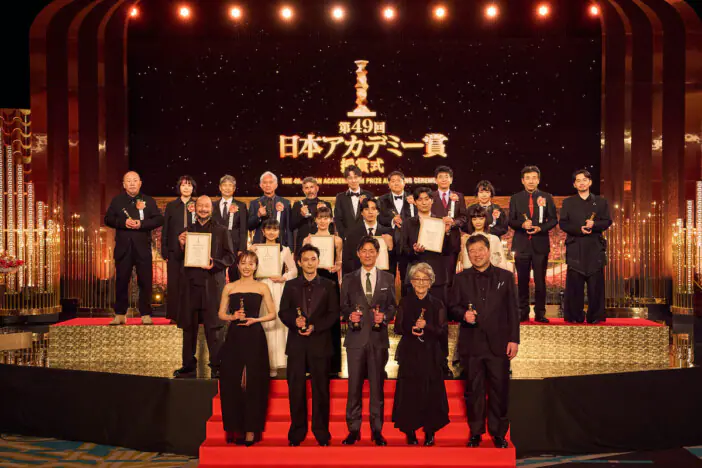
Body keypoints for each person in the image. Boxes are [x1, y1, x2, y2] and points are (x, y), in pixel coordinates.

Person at [449, 235, 519, 449]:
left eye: (480, 249)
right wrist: (463, 315)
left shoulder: (506, 277)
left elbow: (513, 311)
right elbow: (452, 307)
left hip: (499, 344)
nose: (477, 254)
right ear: (467, 255)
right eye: (472, 251)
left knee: (500, 390)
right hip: (472, 344)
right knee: (474, 391)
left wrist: (514, 340)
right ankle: (476, 432)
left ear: (488, 251)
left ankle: (499, 433)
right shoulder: (460, 279)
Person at [279, 244, 340, 446]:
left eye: (313, 259)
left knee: (321, 389)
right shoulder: (290, 285)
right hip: (296, 344)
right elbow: (283, 312)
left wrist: (315, 327)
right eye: (305, 260)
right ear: (299, 262)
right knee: (296, 389)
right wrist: (294, 322)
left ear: (318, 261)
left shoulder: (330, 285)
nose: (310, 263)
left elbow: (333, 314)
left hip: (320, 343)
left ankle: (321, 431)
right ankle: (297, 431)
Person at [341, 236, 396, 446]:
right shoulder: (348, 278)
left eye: (371, 250)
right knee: (353, 388)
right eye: (364, 250)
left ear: (377, 253)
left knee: (377, 388)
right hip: (355, 340)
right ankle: (353, 430)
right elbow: (343, 306)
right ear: (358, 253)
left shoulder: (388, 278)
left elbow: (393, 306)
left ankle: (377, 430)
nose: (368, 254)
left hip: (378, 340)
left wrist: (386, 316)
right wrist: (349, 315)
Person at [218, 251, 277, 446]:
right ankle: (234, 427)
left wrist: (256, 320)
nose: (247, 267)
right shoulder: (230, 287)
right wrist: (232, 317)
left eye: (251, 263)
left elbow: (272, 314)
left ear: (256, 266)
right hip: (234, 336)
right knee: (231, 380)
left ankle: (252, 429)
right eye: (243, 263)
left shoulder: (262, 287)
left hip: (255, 335)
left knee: (254, 382)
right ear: (238, 265)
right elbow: (221, 314)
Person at [173, 196, 235, 379]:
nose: (203, 209)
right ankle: (188, 366)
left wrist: (215, 263)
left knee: (215, 327)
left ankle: (217, 366)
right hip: (190, 285)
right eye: (200, 206)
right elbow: (176, 258)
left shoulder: (222, 230)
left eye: (206, 206)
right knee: (188, 327)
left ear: (212, 208)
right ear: (194, 208)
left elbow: (230, 257)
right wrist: (180, 244)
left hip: (212, 285)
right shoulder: (186, 232)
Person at [392, 262, 449, 446]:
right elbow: (397, 328)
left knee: (431, 392)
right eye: (417, 279)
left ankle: (430, 431)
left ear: (431, 282)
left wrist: (427, 327)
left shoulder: (437, 304)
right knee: (410, 391)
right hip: (410, 352)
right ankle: (410, 430)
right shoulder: (405, 301)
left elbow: (442, 331)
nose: (421, 282)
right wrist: (410, 328)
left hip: (430, 353)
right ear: (411, 281)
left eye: (425, 279)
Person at [401, 186, 455, 378]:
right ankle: (412, 361)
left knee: (439, 322)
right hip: (415, 279)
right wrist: (414, 250)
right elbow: (402, 250)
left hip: (437, 278)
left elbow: (449, 250)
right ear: (415, 202)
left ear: (432, 201)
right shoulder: (408, 223)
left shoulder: (441, 222)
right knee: (413, 318)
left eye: (427, 199)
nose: (424, 202)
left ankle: (442, 362)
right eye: (420, 199)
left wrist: (447, 232)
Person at [104, 171, 163, 325]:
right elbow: (108, 219)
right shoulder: (117, 200)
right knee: (121, 281)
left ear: (140, 183)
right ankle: (120, 314)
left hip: (143, 247)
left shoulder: (148, 200)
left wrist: (141, 224)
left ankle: (146, 314)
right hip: (123, 248)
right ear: (124, 184)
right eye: (128, 181)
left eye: (135, 180)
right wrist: (123, 223)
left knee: (145, 281)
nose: (132, 183)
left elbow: (158, 219)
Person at [558, 169, 612, 324]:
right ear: (574, 184)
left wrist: (594, 225)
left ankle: (595, 316)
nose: (581, 183)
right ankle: (575, 316)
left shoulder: (601, 202)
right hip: (575, 247)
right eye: (578, 180)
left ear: (590, 182)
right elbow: (563, 223)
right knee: (574, 285)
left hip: (594, 248)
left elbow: (607, 221)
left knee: (596, 285)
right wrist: (578, 229)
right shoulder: (568, 202)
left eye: (584, 180)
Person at [508, 165, 558, 323]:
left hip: (540, 245)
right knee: (522, 281)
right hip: (521, 245)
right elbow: (511, 220)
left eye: (534, 178)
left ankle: (540, 313)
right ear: (522, 180)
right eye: (528, 178)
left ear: (538, 180)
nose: (531, 181)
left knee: (540, 281)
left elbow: (553, 220)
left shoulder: (547, 197)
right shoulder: (515, 198)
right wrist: (522, 225)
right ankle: (522, 312)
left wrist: (540, 228)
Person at [251, 219, 297, 377]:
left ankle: (279, 361)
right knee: (264, 322)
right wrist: (250, 251)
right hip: (261, 287)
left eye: (275, 229)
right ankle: (265, 362)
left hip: (278, 287)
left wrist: (283, 277)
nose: (271, 232)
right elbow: (246, 267)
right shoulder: (256, 249)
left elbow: (294, 271)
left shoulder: (284, 250)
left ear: (279, 232)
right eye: (268, 229)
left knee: (278, 322)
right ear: (263, 231)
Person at [301, 204, 343, 375]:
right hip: (312, 280)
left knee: (331, 319)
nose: (323, 221)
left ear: (331, 220)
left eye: (326, 218)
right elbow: (303, 262)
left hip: (330, 280)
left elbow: (339, 261)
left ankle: (332, 366)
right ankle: (310, 365)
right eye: (320, 218)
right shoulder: (308, 240)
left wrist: (336, 266)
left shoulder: (337, 240)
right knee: (312, 317)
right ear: (315, 220)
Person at [161, 175, 196, 322]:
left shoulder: (197, 205)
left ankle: (192, 315)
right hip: (174, 250)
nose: (186, 188)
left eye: (189, 185)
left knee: (192, 283)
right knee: (174, 283)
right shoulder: (171, 206)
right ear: (179, 188)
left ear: (193, 188)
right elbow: (165, 228)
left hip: (194, 251)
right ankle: (174, 315)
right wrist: (164, 249)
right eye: (183, 185)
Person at [377, 170, 415, 292]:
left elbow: (417, 218)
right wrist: (392, 220)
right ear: (389, 184)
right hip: (389, 244)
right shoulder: (382, 200)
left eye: (399, 180)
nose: (396, 183)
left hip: (408, 244)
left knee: (408, 277)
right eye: (393, 181)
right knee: (387, 277)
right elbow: (379, 219)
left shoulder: (413, 198)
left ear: (404, 182)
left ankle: (406, 302)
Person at [431, 165, 468, 288]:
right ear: (436, 180)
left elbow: (463, 217)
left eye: (446, 177)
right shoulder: (430, 196)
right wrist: (440, 223)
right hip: (435, 242)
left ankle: (450, 299)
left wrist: (453, 222)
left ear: (451, 180)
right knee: (435, 275)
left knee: (451, 276)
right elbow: (427, 216)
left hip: (453, 241)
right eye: (440, 177)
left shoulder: (459, 196)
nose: (444, 179)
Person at [341, 198, 393, 275]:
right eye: (366, 209)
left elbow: (394, 261)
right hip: (358, 276)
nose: (370, 212)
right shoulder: (352, 234)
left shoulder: (388, 232)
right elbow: (347, 260)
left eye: (373, 209)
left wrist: (391, 248)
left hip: (382, 276)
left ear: (378, 212)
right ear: (362, 212)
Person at [211, 175, 248, 281]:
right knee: (217, 276)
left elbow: (243, 229)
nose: (227, 188)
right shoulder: (213, 205)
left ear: (234, 188)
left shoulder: (241, 206)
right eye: (224, 185)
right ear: (220, 187)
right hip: (217, 246)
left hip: (234, 247)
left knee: (235, 275)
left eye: (230, 185)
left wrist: (242, 249)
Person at [290, 177, 333, 258]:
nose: (309, 190)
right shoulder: (297, 205)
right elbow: (291, 226)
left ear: (317, 188)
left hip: (323, 242)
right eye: (306, 188)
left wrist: (323, 211)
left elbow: (331, 226)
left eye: (312, 187)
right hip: (303, 244)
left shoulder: (326, 204)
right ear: (303, 190)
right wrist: (301, 215)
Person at [248, 171, 293, 247]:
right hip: (260, 244)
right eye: (265, 182)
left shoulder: (285, 203)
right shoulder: (254, 203)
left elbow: (289, 228)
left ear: (276, 185)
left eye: (270, 182)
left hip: (281, 244)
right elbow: (250, 226)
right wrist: (258, 216)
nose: (268, 185)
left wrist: (291, 248)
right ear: (261, 185)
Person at [460, 206, 509, 271]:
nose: (478, 222)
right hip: (471, 274)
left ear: (486, 220)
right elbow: (466, 264)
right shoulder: (466, 239)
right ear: (471, 221)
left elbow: (500, 263)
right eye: (474, 219)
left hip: (491, 273)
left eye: (481, 219)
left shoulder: (494, 239)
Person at [333, 165, 374, 240]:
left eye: (356, 177)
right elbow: (338, 218)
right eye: (350, 178)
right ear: (346, 180)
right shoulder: (340, 197)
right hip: (347, 238)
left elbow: (373, 216)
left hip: (365, 237)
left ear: (360, 178)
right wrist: (343, 236)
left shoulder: (369, 195)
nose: (353, 180)